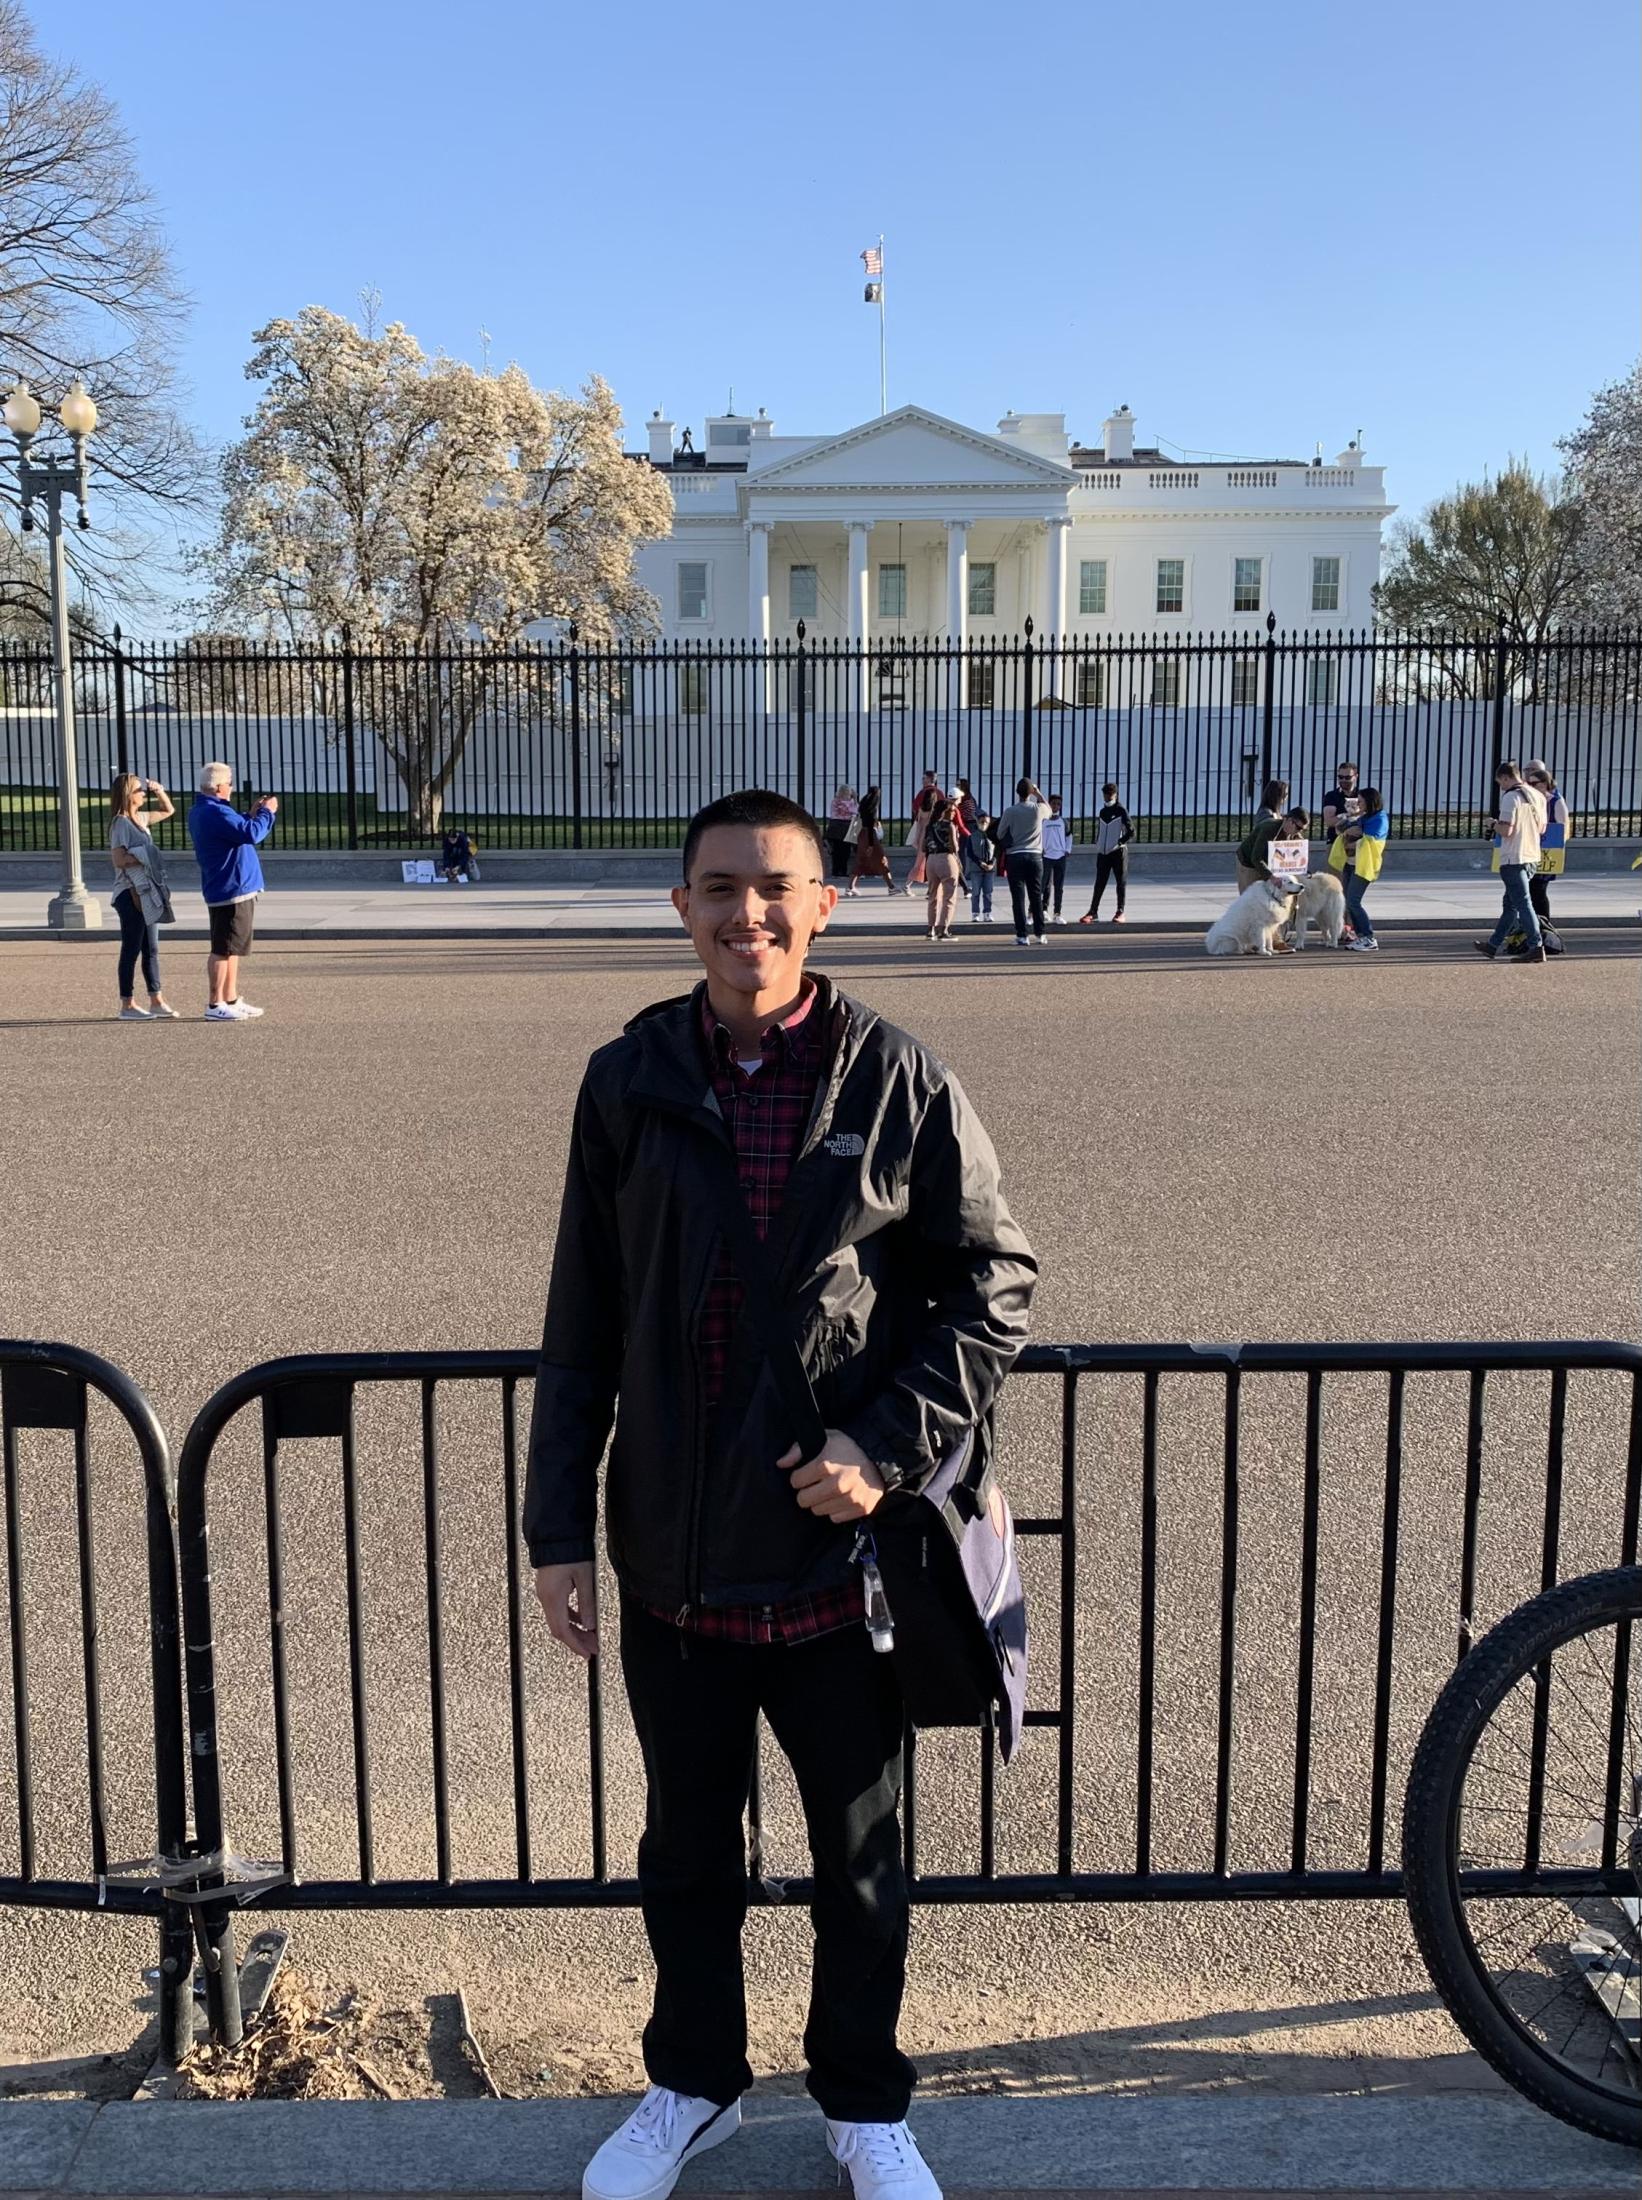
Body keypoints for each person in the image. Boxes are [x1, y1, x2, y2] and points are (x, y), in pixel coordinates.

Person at [527, 788, 1036, 2200]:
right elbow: (584, 1312)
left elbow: (994, 1286)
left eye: (776, 889)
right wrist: (555, 1525)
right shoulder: (625, 1078)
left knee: (859, 1859)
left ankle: (863, 2102)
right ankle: (692, 2084)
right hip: (673, 1549)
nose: (747, 914)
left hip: (839, 1556)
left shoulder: (897, 1079)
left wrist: (881, 1441)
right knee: (686, 1850)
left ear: (825, 903)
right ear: (680, 908)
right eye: (720, 888)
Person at [188, 761, 277, 1020]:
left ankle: (230, 998)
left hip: (234, 886)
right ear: (218, 787)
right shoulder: (215, 812)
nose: (231, 788)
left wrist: (251, 814)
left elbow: (238, 831)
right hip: (230, 887)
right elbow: (252, 834)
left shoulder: (210, 810)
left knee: (233, 947)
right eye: (229, 784)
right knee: (223, 947)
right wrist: (267, 813)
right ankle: (215, 1004)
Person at [108, 773, 180, 1021]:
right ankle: (127, 1004)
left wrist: (159, 790)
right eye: (140, 790)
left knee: (151, 948)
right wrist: (144, 856)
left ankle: (156, 999)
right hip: (129, 893)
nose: (143, 794)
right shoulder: (120, 823)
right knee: (132, 948)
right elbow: (119, 860)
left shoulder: (140, 818)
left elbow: (168, 810)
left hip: (146, 891)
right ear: (128, 793)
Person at [1475, 761, 1547, 964]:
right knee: (1511, 905)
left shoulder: (1510, 797)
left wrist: (1492, 824)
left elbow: (1507, 830)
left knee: (1522, 903)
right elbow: (1542, 828)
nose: (1501, 786)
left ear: (1506, 777)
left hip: (1513, 856)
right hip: (1532, 854)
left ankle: (1536, 945)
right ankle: (1492, 945)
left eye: (1500, 782)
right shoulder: (1537, 795)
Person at [1328, 786, 1388, 952]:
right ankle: (1360, 936)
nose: (1358, 804)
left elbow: (1368, 840)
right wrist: (1350, 830)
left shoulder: (1379, 818)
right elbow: (1343, 830)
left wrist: (1353, 833)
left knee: (1354, 901)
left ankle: (1368, 937)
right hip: (1351, 863)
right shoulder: (1364, 817)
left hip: (1363, 866)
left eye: (1360, 801)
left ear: (1370, 801)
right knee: (1348, 900)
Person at [994, 777, 1051, 947]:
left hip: (1015, 855)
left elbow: (999, 833)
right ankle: (1040, 934)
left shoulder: (1010, 811)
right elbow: (1048, 808)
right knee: (1036, 896)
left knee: (1018, 898)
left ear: (1017, 792)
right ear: (1030, 792)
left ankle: (1022, 935)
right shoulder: (1038, 809)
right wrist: (1038, 792)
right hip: (1035, 855)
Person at [1524, 760, 1569, 955]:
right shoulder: (1530, 799)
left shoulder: (1555, 800)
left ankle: (1544, 930)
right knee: (1530, 892)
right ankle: (1532, 932)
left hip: (1545, 854)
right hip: (1529, 852)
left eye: (1535, 782)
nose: (1531, 785)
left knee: (1538, 891)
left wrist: (1555, 849)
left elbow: (1563, 828)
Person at [1081, 783, 1133, 925]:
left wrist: (1120, 841)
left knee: (1120, 882)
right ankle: (1093, 911)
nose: (1107, 797)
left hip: (1118, 852)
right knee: (1099, 883)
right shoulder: (1103, 811)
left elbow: (1131, 830)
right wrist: (1098, 842)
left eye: (1110, 794)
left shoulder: (1121, 810)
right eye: (1105, 794)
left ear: (1115, 795)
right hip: (1103, 853)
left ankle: (1120, 911)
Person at [921, 793, 962, 941]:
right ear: (944, 812)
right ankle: (943, 929)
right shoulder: (949, 826)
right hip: (946, 858)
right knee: (949, 896)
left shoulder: (930, 826)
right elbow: (954, 847)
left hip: (931, 860)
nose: (953, 813)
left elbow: (923, 847)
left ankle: (930, 928)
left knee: (933, 895)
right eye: (951, 811)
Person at [846, 786, 895, 894]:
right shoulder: (872, 811)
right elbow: (870, 828)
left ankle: (850, 887)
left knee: (861, 861)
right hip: (869, 835)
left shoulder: (864, 806)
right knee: (882, 860)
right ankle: (891, 887)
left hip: (862, 834)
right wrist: (871, 845)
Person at [904, 767, 940, 893]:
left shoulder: (921, 797)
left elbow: (917, 816)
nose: (922, 780)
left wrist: (917, 837)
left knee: (920, 861)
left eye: (924, 778)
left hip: (923, 836)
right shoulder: (938, 793)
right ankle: (931, 886)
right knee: (932, 861)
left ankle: (910, 884)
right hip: (934, 835)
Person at [1041, 795, 1073, 923]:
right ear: (1049, 805)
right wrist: (1041, 849)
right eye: (1053, 804)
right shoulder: (1043, 821)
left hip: (1060, 856)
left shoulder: (1063, 822)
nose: (1055, 806)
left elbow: (1069, 836)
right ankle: (1043, 909)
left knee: (1059, 886)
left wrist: (1067, 849)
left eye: (1058, 804)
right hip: (1046, 856)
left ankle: (1057, 912)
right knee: (1044, 885)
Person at [964, 810, 998, 923]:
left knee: (988, 892)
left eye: (986, 822)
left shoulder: (993, 836)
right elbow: (970, 852)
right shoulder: (972, 836)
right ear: (977, 822)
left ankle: (987, 912)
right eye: (982, 821)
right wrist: (979, 863)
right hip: (976, 869)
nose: (984, 824)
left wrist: (992, 863)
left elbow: (997, 851)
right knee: (976, 892)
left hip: (989, 869)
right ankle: (975, 913)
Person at [826, 784, 859, 880]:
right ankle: (842, 871)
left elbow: (833, 813)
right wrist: (855, 798)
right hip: (846, 826)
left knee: (836, 851)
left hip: (835, 826)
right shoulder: (851, 802)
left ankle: (835, 871)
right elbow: (855, 812)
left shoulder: (835, 801)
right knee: (845, 850)